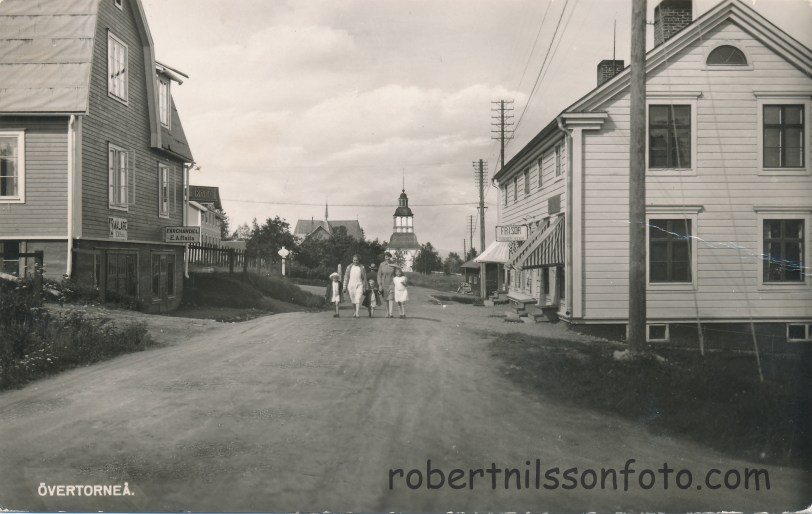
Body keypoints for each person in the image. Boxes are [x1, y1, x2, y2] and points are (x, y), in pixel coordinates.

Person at [342, 254, 367, 319]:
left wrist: (365, 286)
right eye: (354, 260)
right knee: (353, 300)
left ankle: (357, 313)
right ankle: (355, 311)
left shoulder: (362, 267)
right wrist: (344, 286)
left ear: (359, 260)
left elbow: (364, 278)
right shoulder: (349, 267)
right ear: (352, 260)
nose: (355, 261)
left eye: (357, 260)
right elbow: (346, 277)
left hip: (359, 284)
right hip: (351, 285)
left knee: (358, 299)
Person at [377, 251, 398, 318]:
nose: (387, 258)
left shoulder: (394, 265)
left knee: (391, 298)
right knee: (386, 299)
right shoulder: (381, 265)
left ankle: (391, 313)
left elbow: (397, 273)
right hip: (384, 284)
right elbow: (379, 275)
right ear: (384, 258)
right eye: (386, 257)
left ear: (390, 257)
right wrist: (380, 285)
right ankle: (387, 312)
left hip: (392, 284)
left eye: (389, 257)